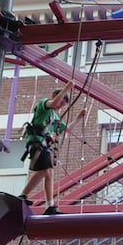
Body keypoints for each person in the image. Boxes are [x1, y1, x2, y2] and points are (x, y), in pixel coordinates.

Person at [18, 85, 70, 215]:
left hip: (43, 145)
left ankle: (47, 205)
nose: (60, 106)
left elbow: (67, 129)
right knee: (46, 171)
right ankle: (30, 198)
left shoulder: (55, 118)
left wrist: (80, 117)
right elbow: (53, 103)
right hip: (37, 142)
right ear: (55, 97)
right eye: (60, 102)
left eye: (63, 105)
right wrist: (67, 87)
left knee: (48, 173)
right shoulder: (44, 105)